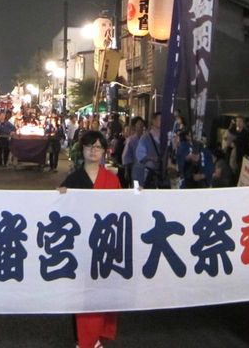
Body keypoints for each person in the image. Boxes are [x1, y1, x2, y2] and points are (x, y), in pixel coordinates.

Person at [58, 130, 120, 348]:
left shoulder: (112, 180)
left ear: (104, 151)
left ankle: (97, 335)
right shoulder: (73, 180)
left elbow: (122, 210)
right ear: (82, 150)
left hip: (104, 243)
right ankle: (82, 338)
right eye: (89, 146)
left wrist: (137, 196)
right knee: (81, 292)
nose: (93, 150)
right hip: (80, 245)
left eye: (98, 147)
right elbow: (61, 211)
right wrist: (60, 196)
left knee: (103, 288)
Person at [135, 112, 165, 188]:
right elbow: (140, 156)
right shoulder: (145, 138)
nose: (162, 121)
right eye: (160, 119)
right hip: (148, 174)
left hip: (163, 175)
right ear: (153, 121)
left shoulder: (166, 138)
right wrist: (151, 158)